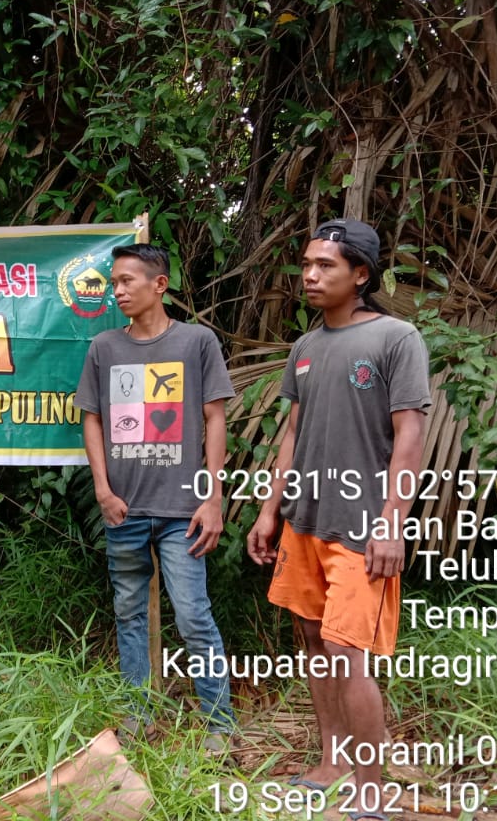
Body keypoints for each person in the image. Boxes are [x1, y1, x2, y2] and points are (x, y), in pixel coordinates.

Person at [246, 219, 429, 817]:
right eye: (306, 264)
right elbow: (291, 436)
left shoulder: (397, 338)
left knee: (347, 650)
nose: (310, 275)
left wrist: (392, 524)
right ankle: (332, 762)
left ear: (361, 274)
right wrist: (269, 511)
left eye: (325, 265)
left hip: (362, 526)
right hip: (304, 521)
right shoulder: (305, 348)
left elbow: (410, 438)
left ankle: (371, 790)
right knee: (312, 640)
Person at [75, 243, 237, 750]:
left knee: (193, 616)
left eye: (127, 281)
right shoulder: (104, 347)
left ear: (159, 284)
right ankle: (138, 714)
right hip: (123, 510)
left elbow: (215, 418)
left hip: (183, 511)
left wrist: (213, 497)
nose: (118, 292)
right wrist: (103, 490)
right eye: (114, 283)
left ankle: (219, 724)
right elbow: (92, 419)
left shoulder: (197, 342)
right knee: (128, 615)